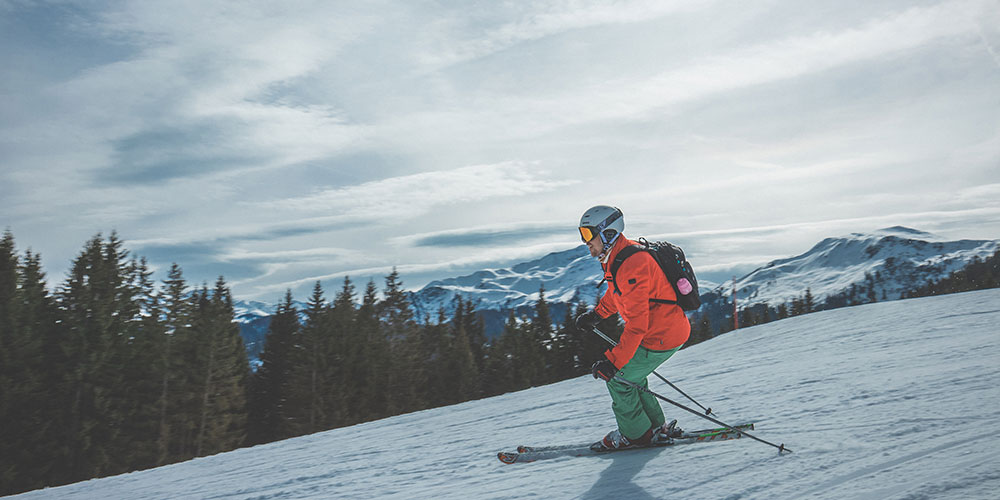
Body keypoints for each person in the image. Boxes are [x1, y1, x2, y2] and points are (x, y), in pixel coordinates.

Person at [574, 205, 691, 451]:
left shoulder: (631, 264)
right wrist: (597, 315)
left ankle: (636, 435)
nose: (586, 242)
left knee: (618, 379)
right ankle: (655, 427)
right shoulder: (618, 257)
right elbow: (616, 295)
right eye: (582, 234)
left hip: (661, 336)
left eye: (588, 234)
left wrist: (613, 363)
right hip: (664, 331)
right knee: (633, 377)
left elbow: (637, 326)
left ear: (607, 233)